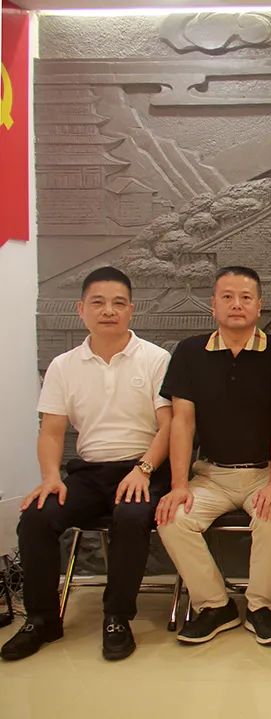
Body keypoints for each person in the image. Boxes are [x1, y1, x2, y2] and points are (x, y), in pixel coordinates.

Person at [2, 267, 171, 662]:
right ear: (81, 309)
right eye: (98, 302)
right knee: (38, 515)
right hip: (89, 472)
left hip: (143, 469)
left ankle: (117, 617)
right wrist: (50, 477)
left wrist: (143, 469)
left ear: (131, 310)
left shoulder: (155, 358)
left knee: (131, 516)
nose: (108, 310)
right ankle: (42, 619)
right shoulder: (63, 366)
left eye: (118, 303)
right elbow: (52, 431)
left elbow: (170, 426)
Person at [155, 266, 271, 646]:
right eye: (227, 297)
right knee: (173, 518)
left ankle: (261, 608)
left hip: (268, 472)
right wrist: (178, 485)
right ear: (213, 305)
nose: (236, 304)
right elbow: (182, 422)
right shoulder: (190, 352)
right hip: (211, 475)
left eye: (246, 297)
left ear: (259, 306)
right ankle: (215, 605)